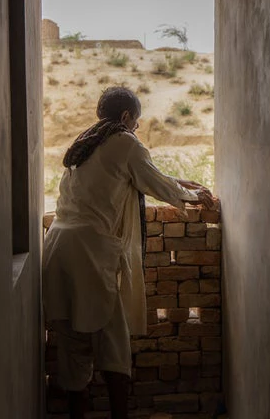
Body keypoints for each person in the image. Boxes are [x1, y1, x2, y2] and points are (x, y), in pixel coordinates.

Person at [42, 86, 214, 419]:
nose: (136, 128)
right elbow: (153, 182)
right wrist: (193, 196)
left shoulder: (84, 144)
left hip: (58, 249)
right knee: (114, 343)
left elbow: (137, 175)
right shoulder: (125, 141)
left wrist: (185, 183)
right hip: (89, 253)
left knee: (72, 347)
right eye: (135, 122)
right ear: (125, 117)